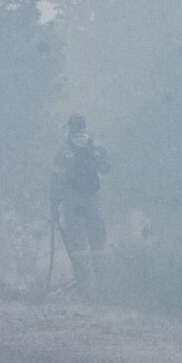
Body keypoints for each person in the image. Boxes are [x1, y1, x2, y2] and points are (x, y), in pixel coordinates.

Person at [51, 113, 110, 296]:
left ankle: (86, 286)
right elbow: (107, 168)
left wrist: (55, 203)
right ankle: (103, 283)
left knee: (78, 245)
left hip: (72, 201)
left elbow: (57, 180)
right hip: (93, 200)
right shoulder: (96, 147)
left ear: (70, 128)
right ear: (84, 127)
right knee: (97, 242)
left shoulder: (64, 151)